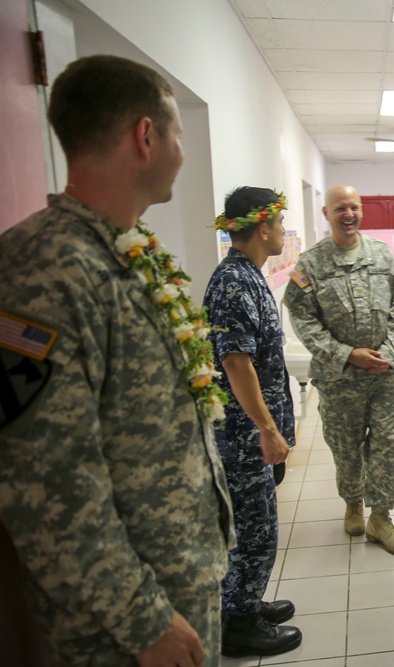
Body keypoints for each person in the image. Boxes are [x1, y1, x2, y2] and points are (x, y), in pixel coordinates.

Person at [0, 55, 233, 665]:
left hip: (178, 577)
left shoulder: (131, 254)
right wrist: (142, 619)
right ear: (146, 135)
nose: (182, 149)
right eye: (179, 133)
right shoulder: (46, 270)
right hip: (120, 626)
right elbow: (47, 480)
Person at [284, 184, 394, 556]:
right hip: (339, 378)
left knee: (389, 443)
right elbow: (303, 319)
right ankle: (353, 502)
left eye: (354, 207)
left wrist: (387, 354)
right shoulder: (310, 264)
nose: (349, 214)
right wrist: (345, 354)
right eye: (341, 208)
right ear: (327, 213)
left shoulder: (382, 256)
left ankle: (381, 518)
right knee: (346, 448)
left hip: (386, 376)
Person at [204, 187, 302, 657]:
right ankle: (238, 622)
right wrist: (266, 429)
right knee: (254, 529)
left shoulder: (247, 274)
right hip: (243, 437)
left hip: (253, 431)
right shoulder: (233, 283)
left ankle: (246, 602)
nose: (284, 230)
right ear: (263, 227)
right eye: (281, 223)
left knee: (255, 526)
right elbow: (235, 363)